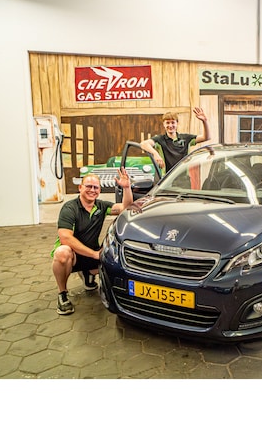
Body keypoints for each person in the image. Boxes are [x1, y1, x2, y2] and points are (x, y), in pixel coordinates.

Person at [51, 169, 134, 315]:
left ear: (99, 190)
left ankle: (88, 275)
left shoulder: (101, 206)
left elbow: (125, 208)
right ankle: (62, 294)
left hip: (91, 252)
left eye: (96, 187)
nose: (92, 190)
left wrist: (127, 188)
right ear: (80, 187)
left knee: (111, 256)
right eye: (88, 186)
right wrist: (94, 255)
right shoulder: (70, 208)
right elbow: (65, 238)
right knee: (62, 253)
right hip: (74, 255)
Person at [140, 107, 210, 175]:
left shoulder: (186, 138)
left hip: (183, 177)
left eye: (173, 122)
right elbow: (143, 144)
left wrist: (205, 121)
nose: (170, 125)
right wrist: (155, 154)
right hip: (167, 178)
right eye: (167, 123)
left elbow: (206, 137)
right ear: (164, 124)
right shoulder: (160, 139)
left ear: (177, 123)